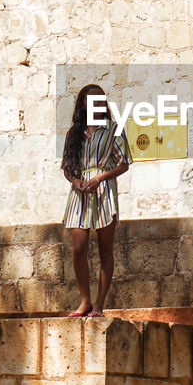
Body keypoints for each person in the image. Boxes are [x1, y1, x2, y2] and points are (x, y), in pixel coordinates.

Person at [61, 84, 132, 317]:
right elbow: (66, 167)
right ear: (82, 104)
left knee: (105, 250)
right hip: (80, 192)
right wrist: (76, 182)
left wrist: (101, 177)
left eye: (100, 100)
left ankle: (99, 306)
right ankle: (85, 301)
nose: (95, 105)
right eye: (90, 101)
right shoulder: (74, 133)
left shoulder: (114, 129)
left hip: (104, 190)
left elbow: (124, 163)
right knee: (78, 248)